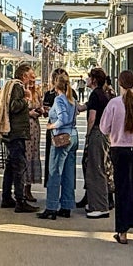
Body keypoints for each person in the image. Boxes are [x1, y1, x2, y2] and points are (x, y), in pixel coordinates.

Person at [100, 70, 133, 244]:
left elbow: (103, 128)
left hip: (119, 149)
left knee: (122, 189)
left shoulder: (114, 103)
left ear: (120, 84)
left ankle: (122, 232)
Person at [0, 63, 39, 212]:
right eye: (31, 74)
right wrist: (26, 99)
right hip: (16, 132)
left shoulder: (10, 84)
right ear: (24, 75)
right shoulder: (18, 87)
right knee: (19, 166)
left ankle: (6, 197)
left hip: (9, 132)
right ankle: (20, 201)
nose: (33, 76)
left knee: (10, 166)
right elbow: (14, 106)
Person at [40, 72, 79, 220]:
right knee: (69, 172)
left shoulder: (59, 100)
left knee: (54, 171)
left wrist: (51, 126)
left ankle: (51, 207)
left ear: (55, 85)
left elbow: (63, 118)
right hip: (73, 136)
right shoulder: (72, 99)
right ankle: (66, 205)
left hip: (62, 136)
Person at [79, 67, 113, 219]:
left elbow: (92, 117)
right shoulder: (102, 94)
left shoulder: (95, 94)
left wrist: (87, 134)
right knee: (97, 167)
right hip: (104, 133)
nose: (86, 80)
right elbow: (84, 107)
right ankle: (95, 203)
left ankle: (100, 206)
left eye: (88, 77)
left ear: (93, 80)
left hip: (97, 133)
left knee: (96, 168)